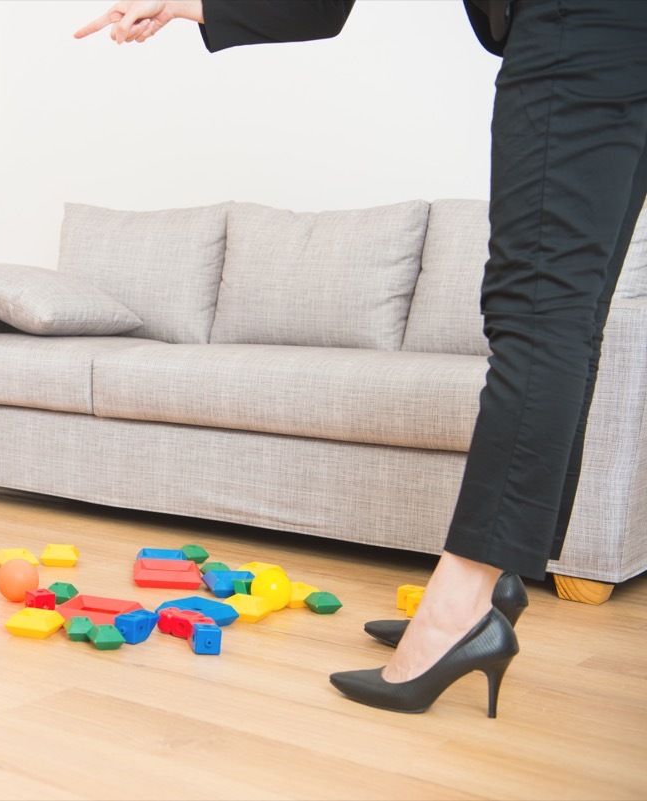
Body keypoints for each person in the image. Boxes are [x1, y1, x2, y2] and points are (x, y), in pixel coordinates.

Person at [77, 0, 647, 716]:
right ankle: (496, 582)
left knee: (538, 312)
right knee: (572, 313)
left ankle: (460, 609)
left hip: (581, 24)